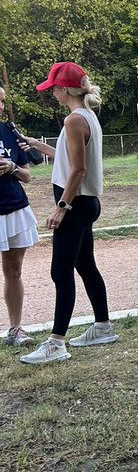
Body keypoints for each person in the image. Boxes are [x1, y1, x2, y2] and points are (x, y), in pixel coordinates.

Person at [18, 62, 118, 364]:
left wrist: (61, 208)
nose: (52, 94)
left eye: (53, 89)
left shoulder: (74, 120)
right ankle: (103, 327)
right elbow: (69, 157)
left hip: (74, 204)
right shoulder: (86, 116)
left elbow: (79, 168)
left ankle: (56, 343)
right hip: (87, 203)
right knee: (85, 265)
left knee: (60, 272)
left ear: (64, 89)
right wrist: (38, 145)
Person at [0, 86, 41, 347]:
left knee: (13, 270)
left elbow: (27, 175)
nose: (1, 107)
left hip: (14, 208)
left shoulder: (8, 131)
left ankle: (15, 329)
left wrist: (13, 166)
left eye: (3, 101)